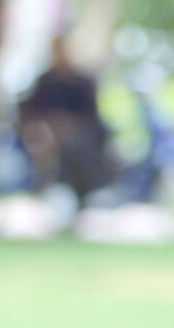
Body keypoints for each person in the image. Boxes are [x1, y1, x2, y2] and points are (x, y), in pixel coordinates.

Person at [15, 35, 112, 205]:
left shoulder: (82, 82)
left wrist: (70, 124)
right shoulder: (45, 81)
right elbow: (31, 109)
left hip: (79, 134)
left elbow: (92, 115)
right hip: (47, 133)